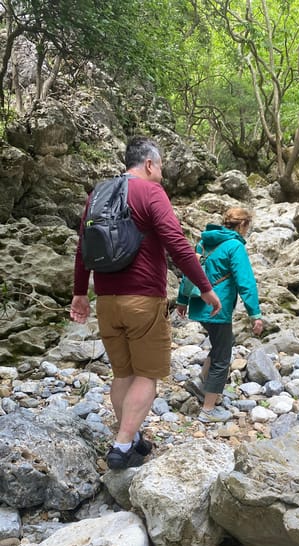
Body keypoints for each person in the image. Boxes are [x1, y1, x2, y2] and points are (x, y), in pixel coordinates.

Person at [70, 136, 221, 470]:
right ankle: (122, 446)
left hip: (106, 301)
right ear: (149, 164)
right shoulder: (151, 192)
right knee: (147, 375)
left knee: (123, 373)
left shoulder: (99, 193)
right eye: (161, 166)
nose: (163, 174)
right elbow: (177, 244)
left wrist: (80, 293)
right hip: (143, 300)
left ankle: (133, 437)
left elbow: (84, 247)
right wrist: (205, 288)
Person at [176, 207, 263, 423]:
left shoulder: (204, 242)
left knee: (219, 345)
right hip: (218, 308)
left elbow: (190, 270)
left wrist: (182, 299)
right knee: (223, 358)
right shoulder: (235, 246)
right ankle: (208, 410)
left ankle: (200, 381)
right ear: (243, 225)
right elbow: (246, 282)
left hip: (199, 304)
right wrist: (255, 314)